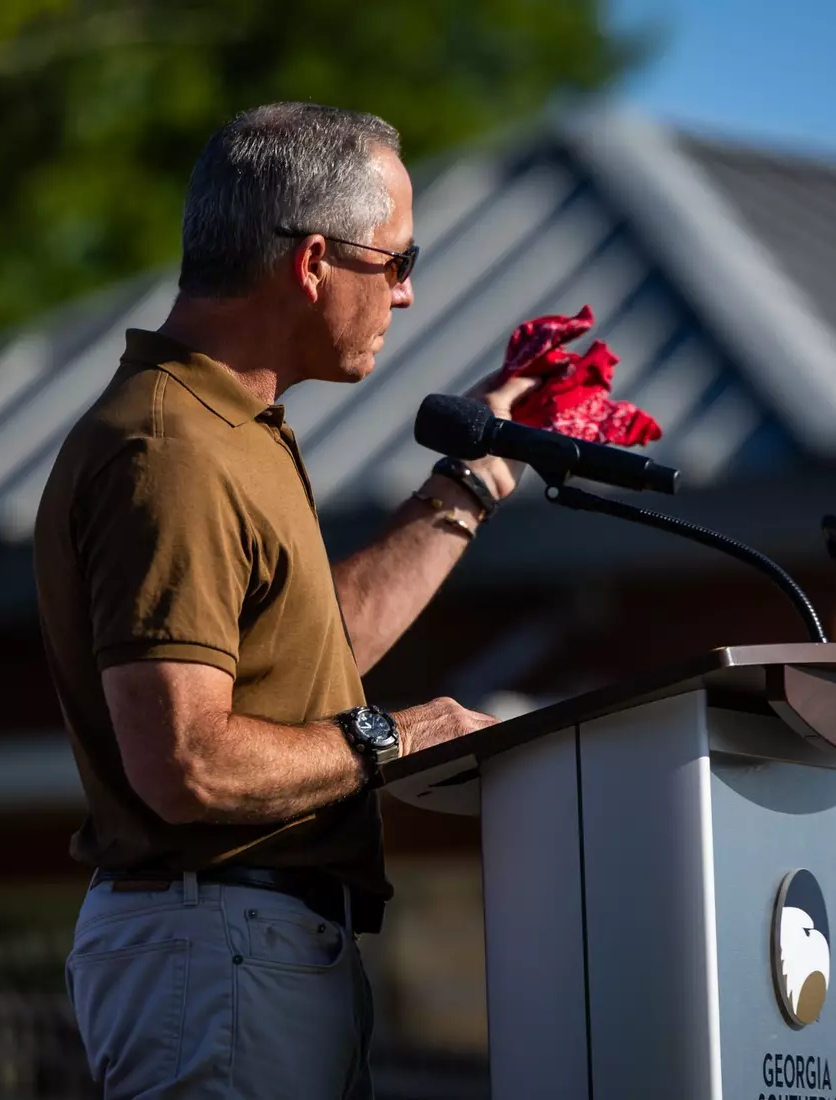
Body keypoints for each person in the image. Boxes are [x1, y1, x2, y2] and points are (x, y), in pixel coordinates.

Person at [33, 101, 539, 1099]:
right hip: (218, 937)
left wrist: (468, 483)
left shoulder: (229, 425)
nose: (408, 293)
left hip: (240, 942)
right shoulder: (172, 448)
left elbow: (314, 653)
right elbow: (185, 760)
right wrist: (394, 738)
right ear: (314, 263)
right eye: (396, 261)